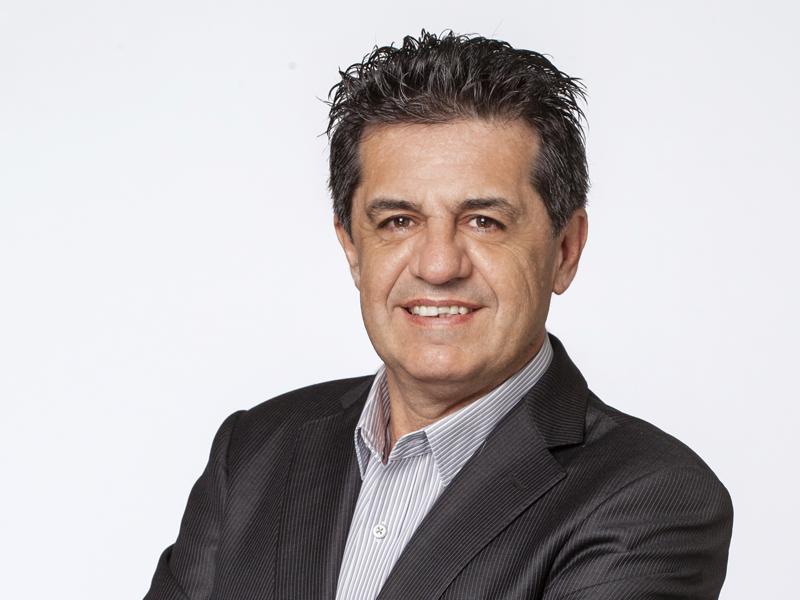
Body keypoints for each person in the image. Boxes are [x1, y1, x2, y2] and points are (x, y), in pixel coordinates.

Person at [144, 31, 733, 600]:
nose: (438, 264)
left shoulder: (652, 498)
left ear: (565, 250)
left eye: (484, 221)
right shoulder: (255, 450)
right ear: (353, 249)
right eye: (398, 221)